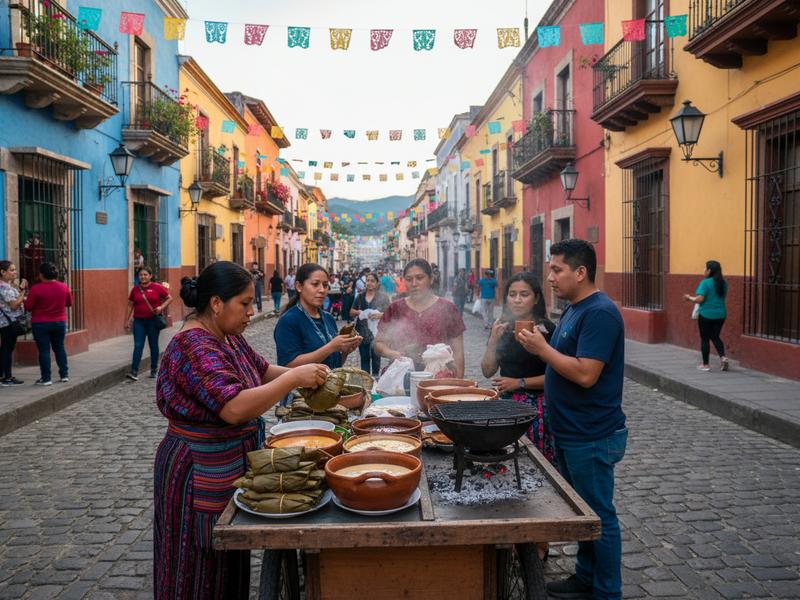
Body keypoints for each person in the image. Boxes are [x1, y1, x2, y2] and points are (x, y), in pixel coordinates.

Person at [153, 261, 329, 600]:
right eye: (245, 304)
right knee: (197, 566)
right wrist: (294, 378)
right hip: (198, 471)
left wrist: (307, 375)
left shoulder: (227, 337)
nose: (252, 311)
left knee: (229, 567)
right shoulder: (194, 346)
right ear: (217, 304)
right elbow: (233, 408)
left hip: (227, 465)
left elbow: (261, 371)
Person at [516, 239, 626, 600]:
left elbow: (585, 374)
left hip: (590, 433)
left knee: (600, 517)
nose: (549, 277)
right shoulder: (576, 309)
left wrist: (542, 350)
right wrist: (545, 342)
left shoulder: (600, 313)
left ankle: (607, 592)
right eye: (550, 269)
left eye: (557, 269)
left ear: (581, 272)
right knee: (584, 513)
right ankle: (585, 577)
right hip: (571, 430)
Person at [375, 258, 465, 376]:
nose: (414, 284)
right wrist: (393, 354)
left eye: (419, 278)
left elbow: (458, 352)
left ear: (431, 279)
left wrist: (458, 384)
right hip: (401, 377)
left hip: (439, 377)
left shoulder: (448, 308)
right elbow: (379, 343)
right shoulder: (395, 309)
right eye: (408, 279)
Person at [274, 263, 362, 370]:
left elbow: (335, 364)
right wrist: (330, 347)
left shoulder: (328, 318)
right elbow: (287, 366)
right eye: (315, 284)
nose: (322, 290)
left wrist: (345, 351)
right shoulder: (288, 321)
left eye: (325, 285)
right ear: (299, 287)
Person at [24, 262, 72, 386]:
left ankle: (46, 378)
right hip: (59, 322)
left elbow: (28, 306)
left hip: (40, 324)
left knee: (44, 351)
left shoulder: (36, 289)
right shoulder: (64, 287)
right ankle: (64, 375)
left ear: (41, 275)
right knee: (60, 348)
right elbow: (69, 303)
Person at [124, 266, 172, 381]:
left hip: (153, 321)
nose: (143, 277)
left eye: (145, 275)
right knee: (138, 345)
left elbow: (169, 298)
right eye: (141, 275)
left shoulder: (157, 287)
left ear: (150, 276)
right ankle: (134, 371)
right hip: (138, 321)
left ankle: (154, 369)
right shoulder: (135, 289)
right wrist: (126, 320)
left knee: (153, 345)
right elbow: (130, 304)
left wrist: (161, 307)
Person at [685, 260, 729, 372]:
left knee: (705, 339)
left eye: (705, 268)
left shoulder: (705, 283)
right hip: (721, 314)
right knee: (715, 336)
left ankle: (705, 365)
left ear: (709, 270)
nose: (703, 270)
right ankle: (723, 357)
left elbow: (700, 299)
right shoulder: (724, 283)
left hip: (706, 315)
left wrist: (689, 298)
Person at [350, 272, 391, 375]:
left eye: (372, 281)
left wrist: (380, 315)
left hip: (377, 333)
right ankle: (366, 379)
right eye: (367, 280)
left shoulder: (383, 297)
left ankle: (376, 377)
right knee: (364, 358)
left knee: (376, 357)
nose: (369, 283)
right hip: (362, 332)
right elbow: (351, 312)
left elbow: (390, 313)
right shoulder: (360, 296)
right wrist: (359, 312)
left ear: (377, 283)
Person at [0, 261, 29, 385]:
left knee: (7, 348)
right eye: (11, 270)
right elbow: (14, 304)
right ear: (2, 272)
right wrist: (23, 292)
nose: (15, 272)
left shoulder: (8, 286)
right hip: (7, 323)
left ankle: (6, 376)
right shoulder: (3, 287)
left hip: (9, 322)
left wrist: (21, 290)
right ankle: (6, 377)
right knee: (6, 349)